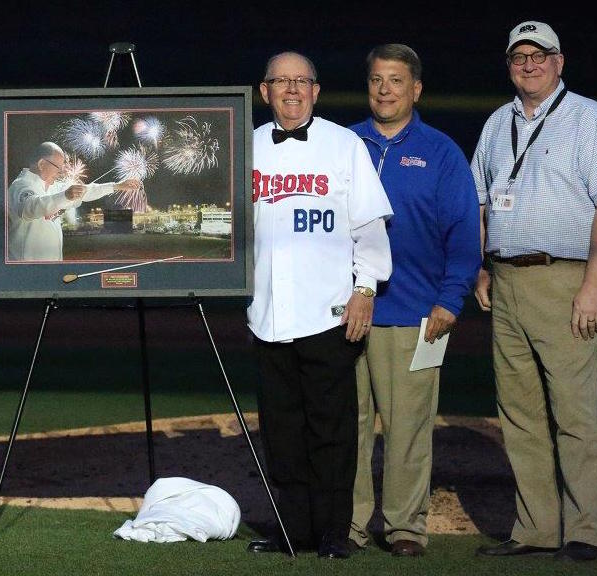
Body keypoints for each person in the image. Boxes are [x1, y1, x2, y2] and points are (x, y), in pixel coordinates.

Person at [471, 21, 597, 562]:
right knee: (519, 413)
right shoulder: (496, 123)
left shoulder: (588, 118)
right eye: (519, 56)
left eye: (540, 55)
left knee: (573, 411)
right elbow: (484, 203)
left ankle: (585, 531)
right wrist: (484, 268)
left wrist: (592, 284)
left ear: (560, 62)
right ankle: (535, 529)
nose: (529, 64)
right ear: (509, 63)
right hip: (508, 281)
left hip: (567, 279)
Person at [247, 51, 393, 558]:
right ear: (264, 92)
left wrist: (365, 289)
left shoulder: (343, 144)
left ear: (316, 90)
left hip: (328, 313)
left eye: (301, 81)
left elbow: (370, 231)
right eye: (281, 82)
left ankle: (334, 533)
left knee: (332, 431)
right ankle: (294, 531)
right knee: (282, 432)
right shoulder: (246, 150)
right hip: (266, 316)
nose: (291, 90)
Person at [347, 44, 481, 557]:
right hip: (347, 313)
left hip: (415, 313)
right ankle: (352, 524)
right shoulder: (346, 143)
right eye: (377, 79)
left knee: (407, 428)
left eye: (396, 80)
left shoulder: (442, 152)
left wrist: (451, 298)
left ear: (416, 89)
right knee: (350, 427)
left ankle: (405, 526)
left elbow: (465, 233)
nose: (385, 89)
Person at [8, 141, 140, 261]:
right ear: (42, 164)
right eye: (58, 167)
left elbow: (87, 190)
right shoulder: (21, 185)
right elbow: (30, 208)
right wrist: (65, 196)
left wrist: (116, 186)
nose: (61, 171)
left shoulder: (53, 187)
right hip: (27, 266)